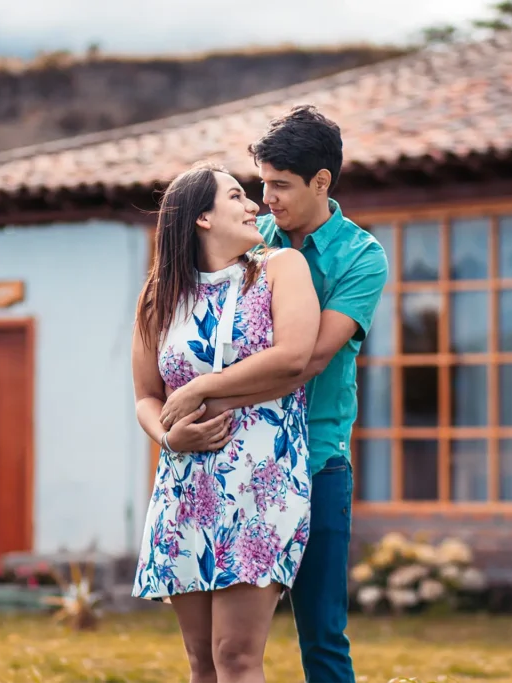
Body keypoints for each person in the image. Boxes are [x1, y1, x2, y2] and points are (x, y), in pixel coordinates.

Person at [192, 105, 389, 682]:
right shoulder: (252, 242)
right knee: (223, 644)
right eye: (262, 183)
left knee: (322, 632)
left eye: (280, 185)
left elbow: (309, 358)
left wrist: (209, 399)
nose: (265, 198)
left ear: (321, 182)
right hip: (243, 456)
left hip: (318, 460)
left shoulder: (362, 258)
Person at [130, 160, 321, 683]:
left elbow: (293, 356)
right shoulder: (160, 297)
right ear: (202, 218)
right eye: (236, 196)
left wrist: (200, 387)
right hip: (184, 486)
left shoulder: (281, 268)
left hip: (262, 480)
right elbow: (147, 397)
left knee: (235, 656)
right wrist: (169, 436)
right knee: (202, 663)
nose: (254, 205)